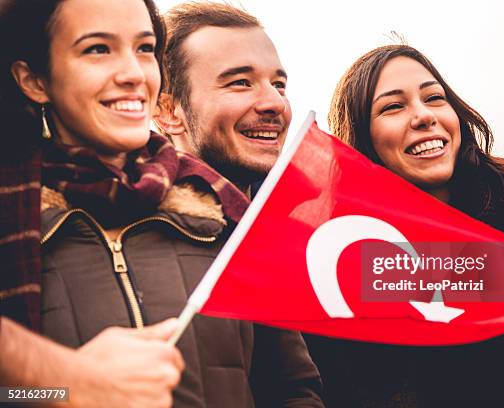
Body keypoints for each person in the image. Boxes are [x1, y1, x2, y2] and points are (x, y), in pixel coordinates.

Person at [305, 44, 504, 408]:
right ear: (360, 137)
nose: (422, 116)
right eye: (393, 106)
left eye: (434, 97)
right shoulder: (342, 264)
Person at [0, 1, 185, 407]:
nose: (134, 74)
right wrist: (64, 386)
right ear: (34, 81)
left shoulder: (219, 203)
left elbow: (293, 387)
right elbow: (7, 395)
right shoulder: (10, 207)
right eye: (97, 49)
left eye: (145, 48)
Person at [153, 2, 323, 407]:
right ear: (168, 110)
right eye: (240, 83)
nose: (274, 104)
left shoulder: (306, 237)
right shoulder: (123, 233)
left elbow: (296, 390)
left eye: (278, 84)